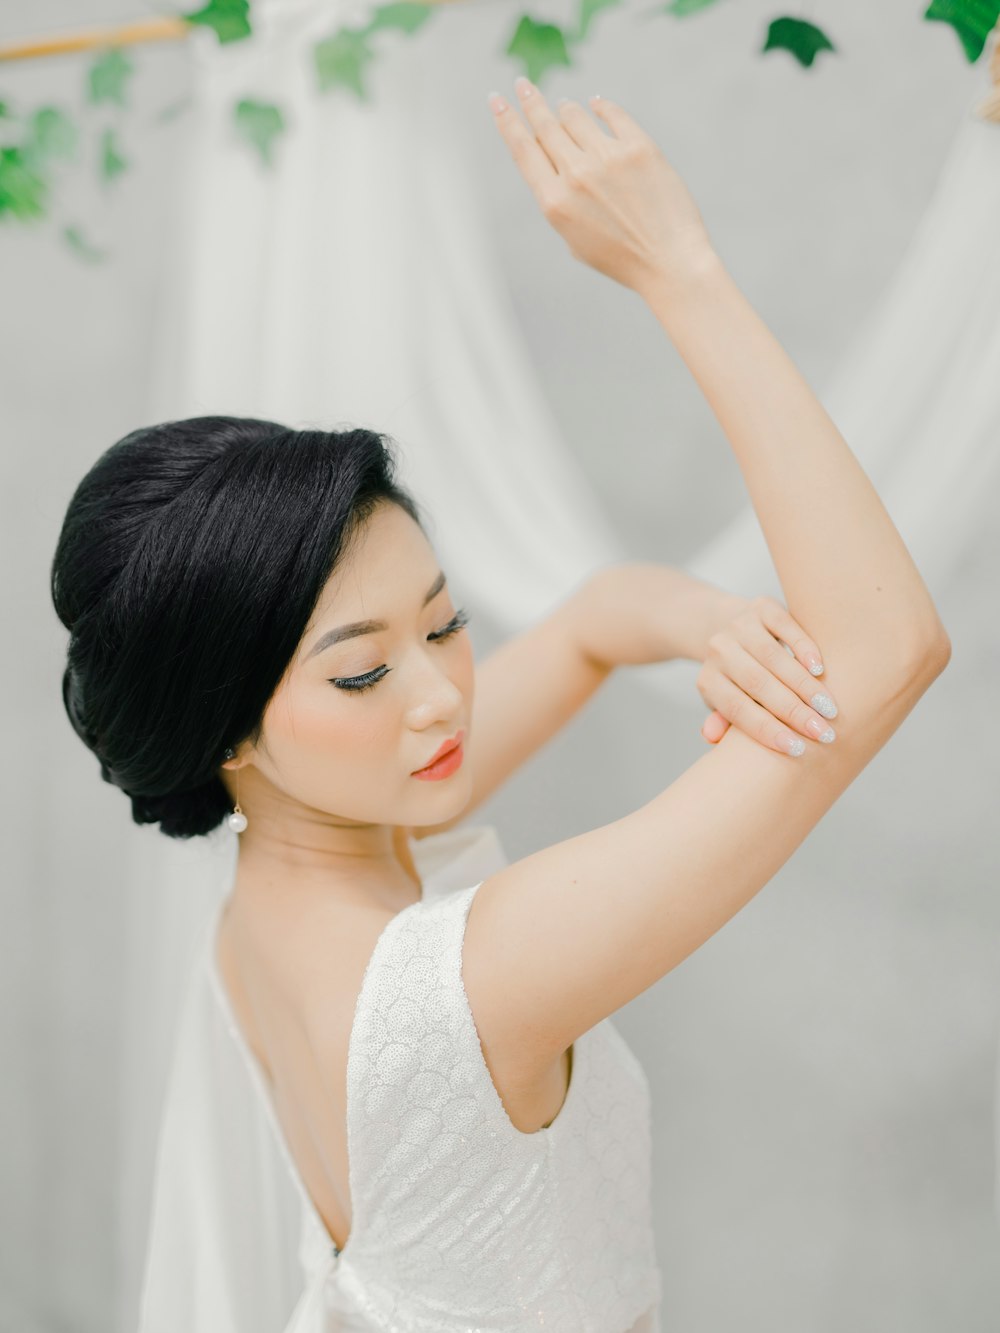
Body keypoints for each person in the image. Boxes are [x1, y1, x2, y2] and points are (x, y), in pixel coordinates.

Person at [50, 81, 950, 1333]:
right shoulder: (471, 982)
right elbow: (888, 646)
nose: (440, 699)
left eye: (446, 621)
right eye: (362, 672)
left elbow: (587, 620)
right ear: (229, 728)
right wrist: (677, 270)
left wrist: (701, 623)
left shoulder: (281, 887)